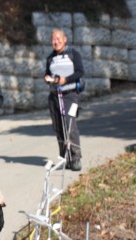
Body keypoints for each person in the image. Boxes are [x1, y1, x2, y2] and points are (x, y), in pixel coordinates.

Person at [44, 29, 84, 171]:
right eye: (53, 39)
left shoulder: (74, 54)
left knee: (70, 124)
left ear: (65, 39)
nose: (56, 41)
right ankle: (64, 157)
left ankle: (76, 157)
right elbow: (47, 74)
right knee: (58, 127)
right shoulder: (50, 58)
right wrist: (48, 79)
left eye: (58, 38)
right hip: (54, 96)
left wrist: (65, 80)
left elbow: (80, 72)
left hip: (71, 95)